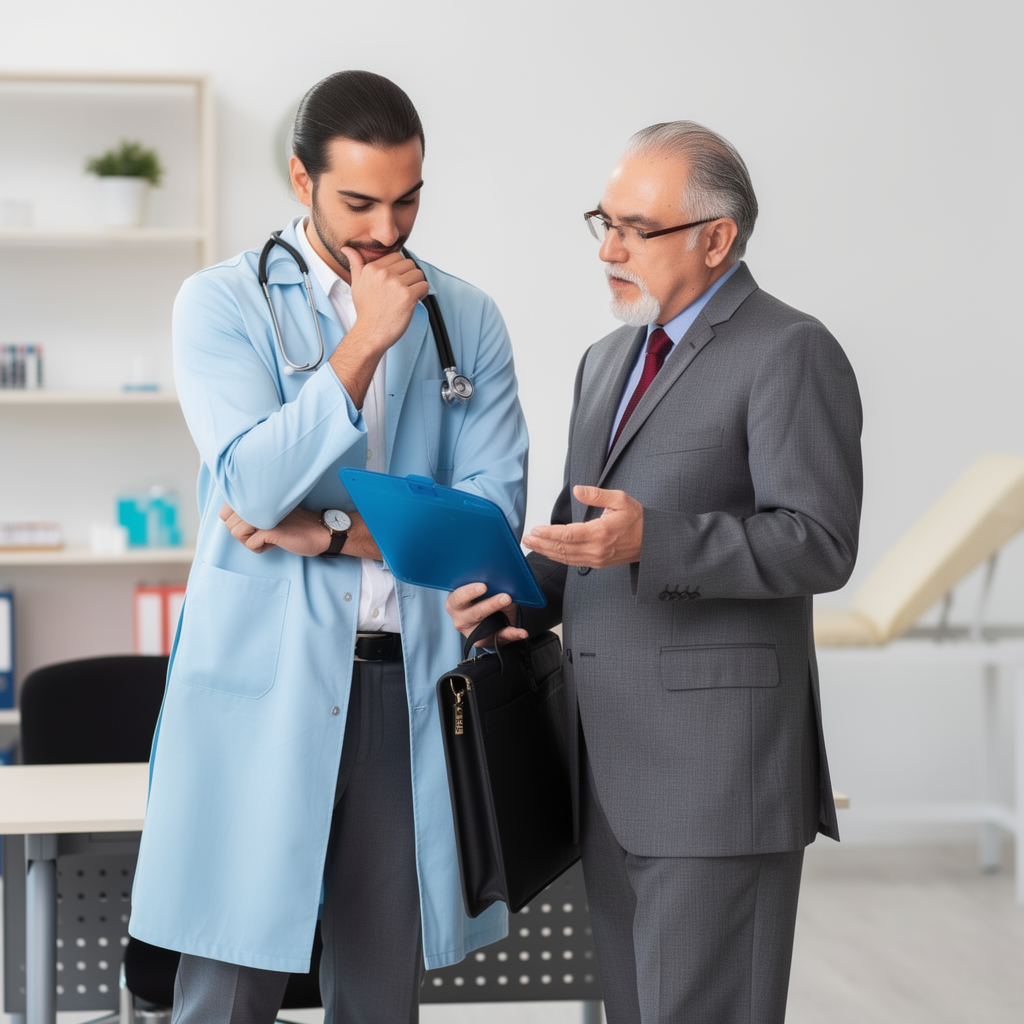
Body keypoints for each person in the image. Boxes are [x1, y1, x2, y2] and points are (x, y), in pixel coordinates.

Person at [128, 70, 528, 1024]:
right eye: (358, 203)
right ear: (301, 182)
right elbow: (254, 488)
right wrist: (363, 346)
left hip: (403, 689)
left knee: (380, 995)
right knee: (225, 989)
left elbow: (483, 527)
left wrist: (331, 533)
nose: (386, 232)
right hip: (262, 687)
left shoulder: (467, 317)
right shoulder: (220, 304)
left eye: (407, 200)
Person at [446, 121, 862, 1024]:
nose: (608, 248)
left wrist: (658, 542)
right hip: (606, 771)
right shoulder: (607, 361)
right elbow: (583, 531)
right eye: (603, 221)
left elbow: (821, 541)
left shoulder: (790, 350)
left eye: (636, 227)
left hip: (720, 776)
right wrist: (512, 598)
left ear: (717, 238)